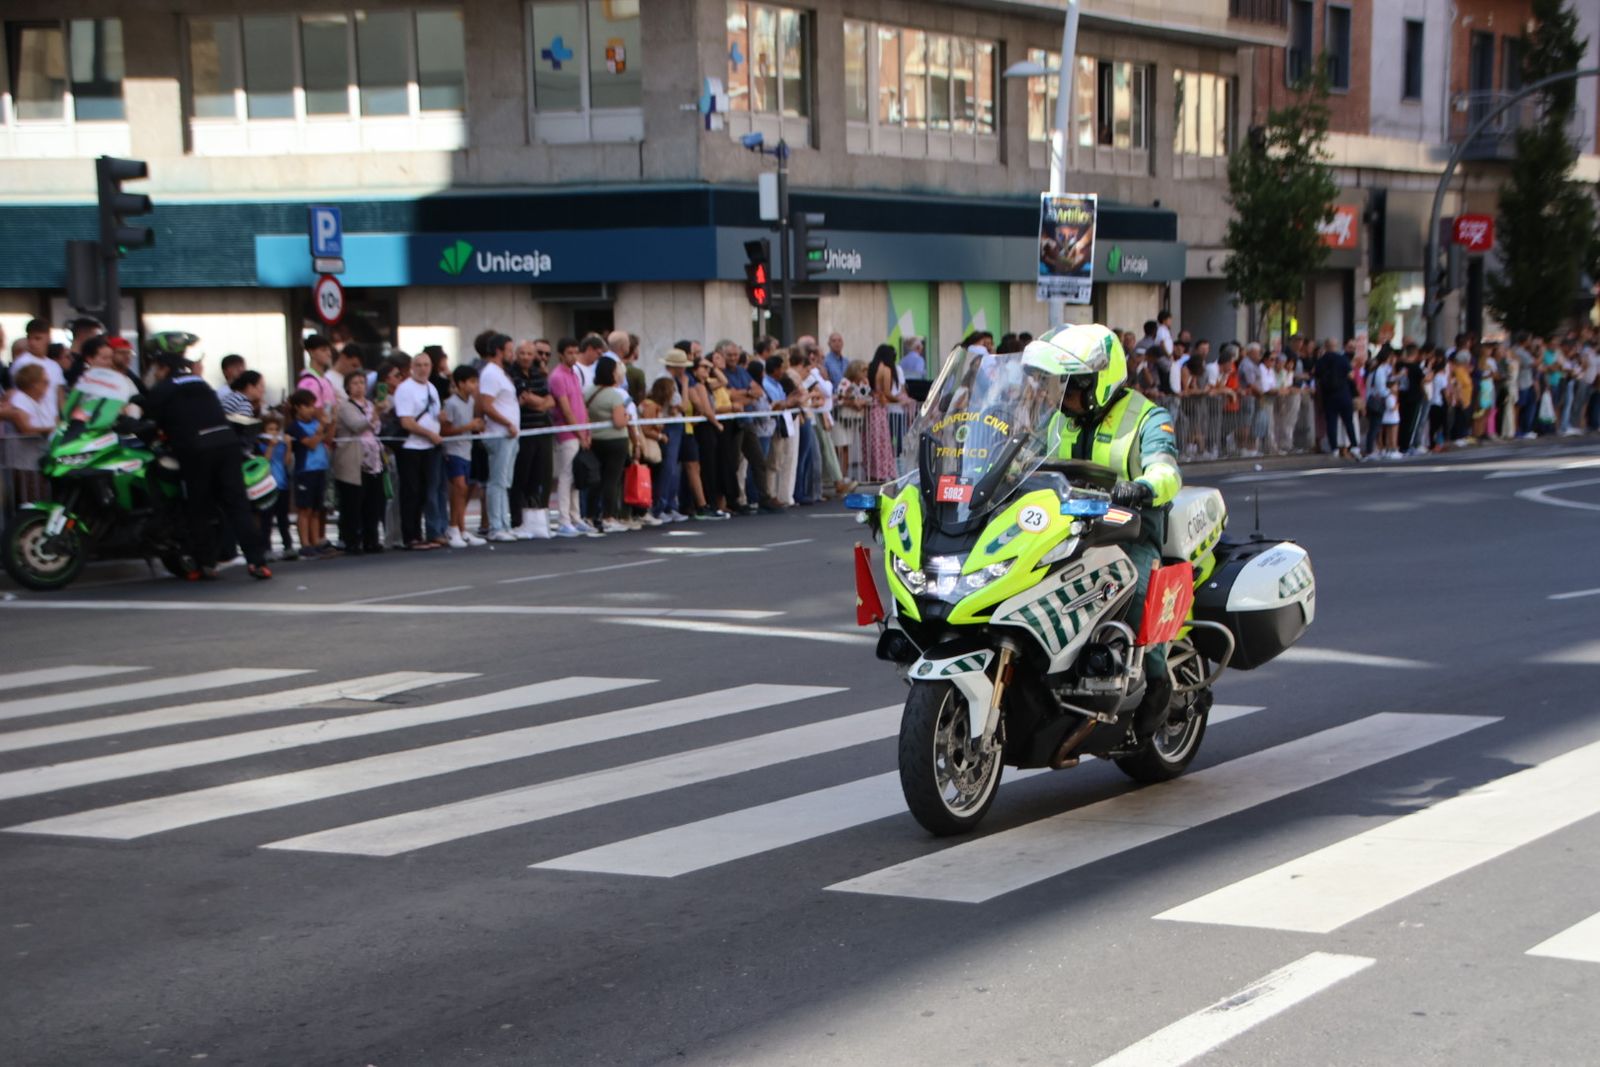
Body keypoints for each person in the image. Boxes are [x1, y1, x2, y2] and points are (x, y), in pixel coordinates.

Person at [1027, 323, 1181, 737]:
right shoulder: (1057, 421)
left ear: (1098, 382)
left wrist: (1142, 487)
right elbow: (1021, 457)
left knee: (1136, 596)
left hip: (1129, 533)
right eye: (1060, 385)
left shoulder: (1147, 417)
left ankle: (1157, 683)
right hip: (1063, 532)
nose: (1062, 395)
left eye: (1071, 385)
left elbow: (1167, 471)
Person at [138, 333, 271, 580]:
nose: (154, 372)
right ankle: (258, 562)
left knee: (198, 506)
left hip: (196, 449)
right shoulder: (200, 384)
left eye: (155, 367)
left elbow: (148, 422)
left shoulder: (162, 389)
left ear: (162, 367)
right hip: (227, 445)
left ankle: (205, 564)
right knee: (237, 505)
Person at [393, 349, 444, 550]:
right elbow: (406, 421)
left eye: (426, 365)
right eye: (419, 365)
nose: (423, 369)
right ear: (412, 368)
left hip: (429, 447)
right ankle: (410, 536)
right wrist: (429, 433)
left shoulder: (431, 388)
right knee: (411, 491)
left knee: (425, 491)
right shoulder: (405, 389)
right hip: (411, 447)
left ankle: (422, 532)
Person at [332, 370, 384, 554]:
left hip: (372, 458)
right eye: (355, 383)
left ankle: (371, 539)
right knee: (353, 503)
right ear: (347, 387)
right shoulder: (345, 406)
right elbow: (357, 425)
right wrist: (375, 415)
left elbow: (377, 427)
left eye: (362, 383)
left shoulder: (370, 404)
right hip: (353, 459)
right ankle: (352, 540)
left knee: (373, 502)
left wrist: (376, 414)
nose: (359, 387)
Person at [475, 333, 521, 542]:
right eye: (509, 350)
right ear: (498, 351)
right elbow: (486, 405)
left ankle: (504, 522)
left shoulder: (501, 373)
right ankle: (496, 525)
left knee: (504, 481)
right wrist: (506, 423)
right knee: (497, 481)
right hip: (499, 434)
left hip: (508, 434)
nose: (512, 354)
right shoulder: (491, 374)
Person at [509, 339, 555, 539]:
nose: (526, 357)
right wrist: (541, 402)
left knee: (538, 476)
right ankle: (517, 520)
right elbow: (525, 398)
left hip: (541, 431)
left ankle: (533, 519)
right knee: (521, 477)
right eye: (522, 353)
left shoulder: (537, 374)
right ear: (516, 355)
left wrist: (540, 403)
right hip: (524, 432)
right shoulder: (512, 373)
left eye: (529, 354)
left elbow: (550, 400)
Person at [441, 365, 486, 547]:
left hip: (466, 450)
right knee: (459, 487)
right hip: (453, 451)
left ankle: (461, 528)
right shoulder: (451, 403)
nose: (475, 386)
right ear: (461, 383)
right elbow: (445, 430)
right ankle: (453, 527)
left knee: (464, 489)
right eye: (472, 382)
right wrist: (468, 427)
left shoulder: (471, 401)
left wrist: (477, 427)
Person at [286, 387, 333, 556]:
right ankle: (305, 543)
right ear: (297, 407)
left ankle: (315, 541)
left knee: (316, 509)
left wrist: (329, 423)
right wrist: (321, 429)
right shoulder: (294, 427)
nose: (311, 410)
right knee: (304, 509)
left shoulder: (314, 422)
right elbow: (311, 444)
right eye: (307, 406)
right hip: (305, 470)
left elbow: (327, 439)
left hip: (320, 468)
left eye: (313, 406)